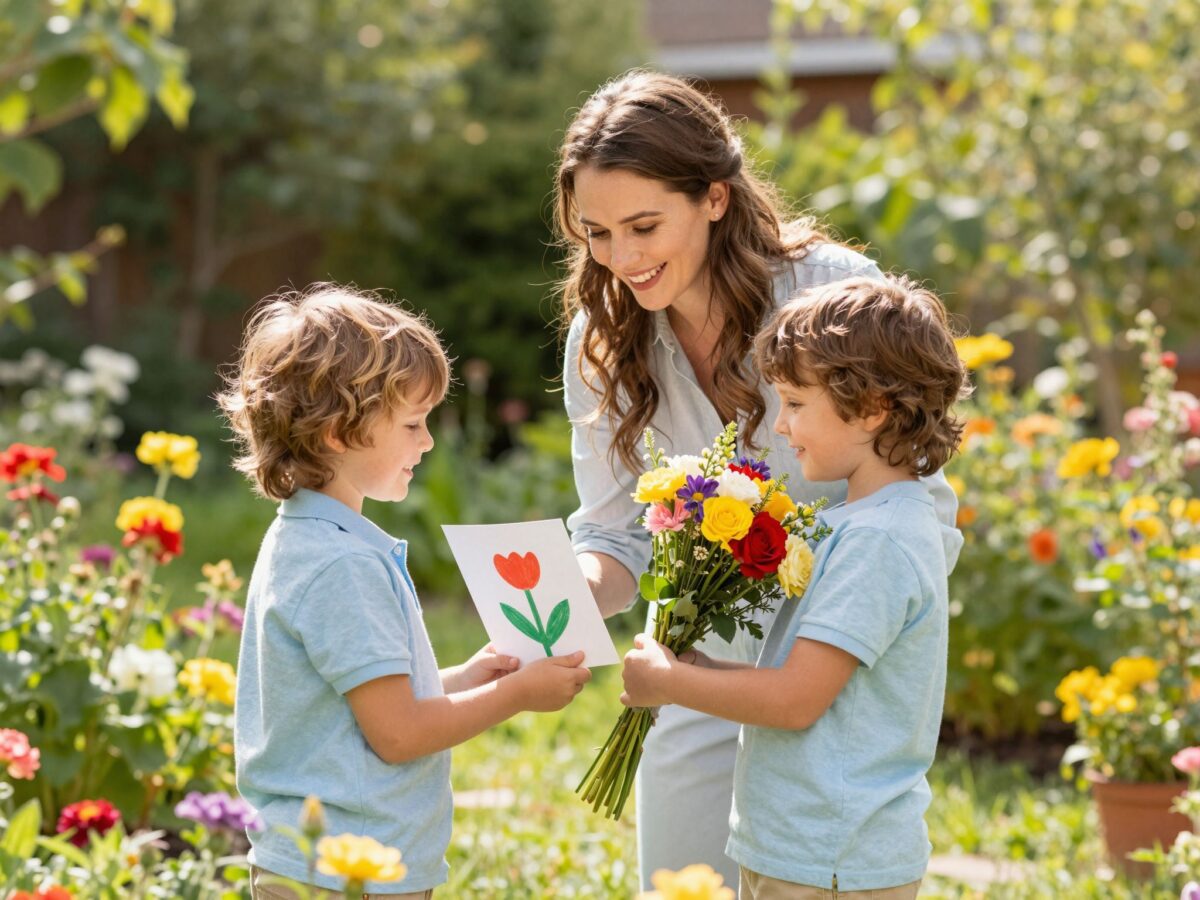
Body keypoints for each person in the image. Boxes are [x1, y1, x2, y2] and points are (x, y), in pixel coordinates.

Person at [553, 70, 957, 887]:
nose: (622, 258)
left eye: (642, 225)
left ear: (713, 197)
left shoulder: (830, 295)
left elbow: (908, 474)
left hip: (833, 640)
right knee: (683, 875)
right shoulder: (602, 340)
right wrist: (551, 612)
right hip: (701, 642)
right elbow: (614, 535)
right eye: (595, 233)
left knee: (817, 865)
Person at [219, 285, 591, 899]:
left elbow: (362, 707)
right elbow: (398, 734)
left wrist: (468, 677)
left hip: (324, 863)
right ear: (340, 431)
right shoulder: (341, 566)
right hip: (346, 874)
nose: (428, 442)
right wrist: (518, 695)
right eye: (414, 423)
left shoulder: (311, 540)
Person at [620, 275, 969, 899]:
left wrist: (672, 683)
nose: (780, 427)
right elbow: (808, 685)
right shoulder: (854, 522)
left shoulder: (879, 542)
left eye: (796, 404)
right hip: (802, 848)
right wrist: (706, 670)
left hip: (830, 856)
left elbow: (795, 700)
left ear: (871, 408)